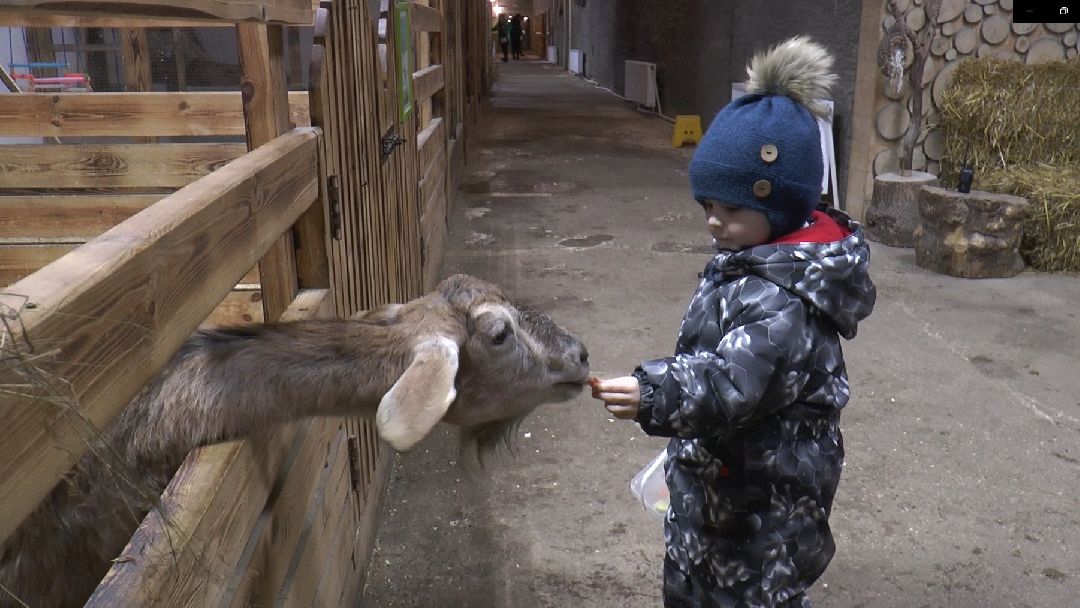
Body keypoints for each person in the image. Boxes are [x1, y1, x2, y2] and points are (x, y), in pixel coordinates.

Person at [591, 36, 876, 608]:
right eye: (707, 207)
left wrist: (655, 392)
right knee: (696, 578)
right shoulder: (751, 259)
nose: (714, 222)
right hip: (723, 486)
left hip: (760, 513)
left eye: (731, 209)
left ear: (781, 207)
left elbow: (731, 381)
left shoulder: (784, 301)